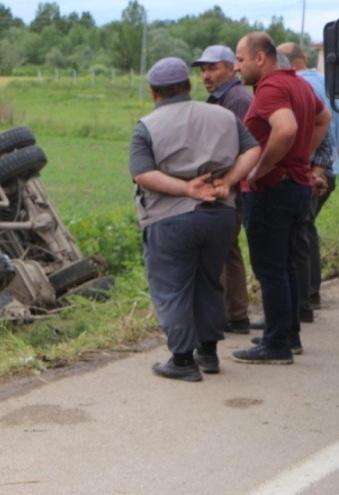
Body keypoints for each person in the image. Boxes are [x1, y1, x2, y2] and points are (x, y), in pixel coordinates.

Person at [130, 57, 260, 381]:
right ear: (187, 87)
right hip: (220, 215)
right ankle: (209, 354)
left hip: (169, 219)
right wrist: (228, 182)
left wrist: (187, 188)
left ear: (153, 93)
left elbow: (143, 174)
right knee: (208, 282)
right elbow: (253, 150)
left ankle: (183, 361)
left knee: (173, 287)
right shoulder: (224, 115)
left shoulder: (147, 126)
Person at [231, 32, 331, 364]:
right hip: (296, 187)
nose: (237, 67)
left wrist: (261, 168)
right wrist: (303, 156)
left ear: (261, 57)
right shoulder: (299, 84)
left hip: (272, 191)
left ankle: (275, 346)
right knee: (286, 265)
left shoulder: (272, 88)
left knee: (270, 269)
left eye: (241, 59)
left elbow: (285, 129)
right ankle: (287, 335)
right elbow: (323, 119)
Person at [191, 45, 254, 334]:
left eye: (213, 68)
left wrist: (226, 181)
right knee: (228, 250)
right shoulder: (222, 97)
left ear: (232, 68)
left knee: (223, 250)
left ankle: (231, 314)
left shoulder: (236, 98)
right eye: (203, 69)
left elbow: (240, 148)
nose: (206, 75)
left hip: (229, 187)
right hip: (225, 186)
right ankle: (235, 314)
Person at [276, 42, 339, 313]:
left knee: (299, 233)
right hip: (329, 170)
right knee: (305, 228)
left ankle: (303, 299)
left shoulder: (295, 87)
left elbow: (316, 129)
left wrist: (313, 170)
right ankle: (308, 295)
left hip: (313, 171)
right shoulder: (326, 82)